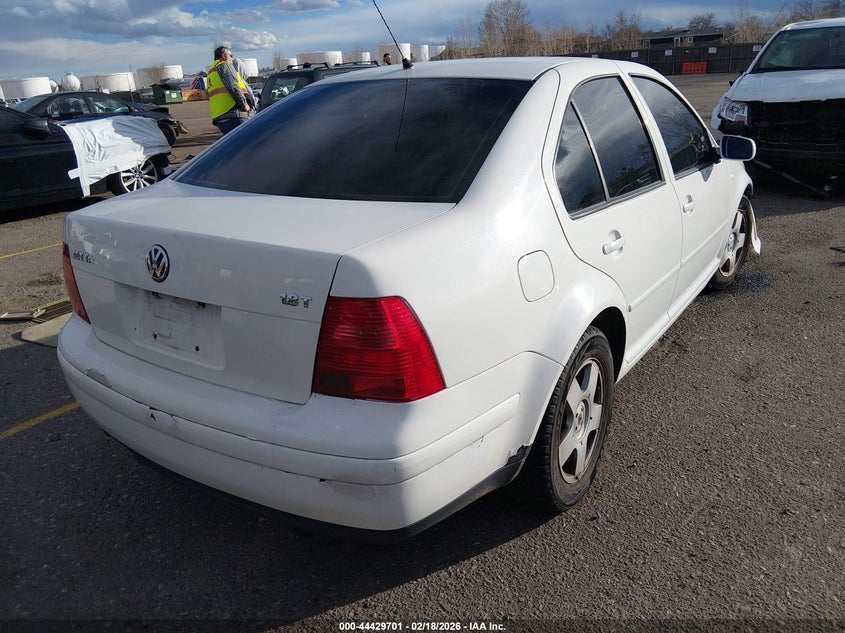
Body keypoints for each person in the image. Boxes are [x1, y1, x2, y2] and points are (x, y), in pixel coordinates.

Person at [207, 45, 256, 135]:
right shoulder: (225, 66)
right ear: (224, 56)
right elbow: (233, 87)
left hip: (220, 117)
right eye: (231, 56)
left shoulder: (211, 72)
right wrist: (245, 105)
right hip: (234, 114)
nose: (233, 59)